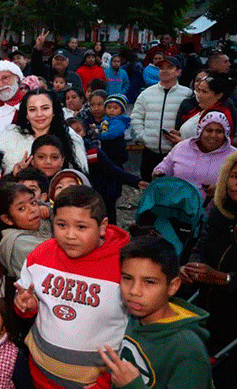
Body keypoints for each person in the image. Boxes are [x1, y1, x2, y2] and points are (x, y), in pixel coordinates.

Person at [14, 185, 129, 388]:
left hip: (94, 384)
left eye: (81, 227)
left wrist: (106, 382)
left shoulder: (125, 267)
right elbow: (25, 303)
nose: (70, 235)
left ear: (102, 226)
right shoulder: (40, 256)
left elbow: (137, 331)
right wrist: (26, 306)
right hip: (39, 375)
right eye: (62, 225)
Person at [100, 236, 212, 389]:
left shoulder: (188, 351)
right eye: (127, 278)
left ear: (173, 286)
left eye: (149, 282)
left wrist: (132, 386)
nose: (134, 291)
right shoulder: (135, 316)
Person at [181, 151, 237, 386]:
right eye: (234, 176)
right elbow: (201, 245)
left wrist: (225, 279)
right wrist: (191, 266)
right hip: (207, 311)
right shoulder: (220, 211)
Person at [0, 89, 87, 174]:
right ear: (26, 114)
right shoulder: (10, 137)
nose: (39, 114)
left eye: (45, 108)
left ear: (54, 111)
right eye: (32, 110)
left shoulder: (71, 138)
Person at [131, 55, 192, 181]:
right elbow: (136, 117)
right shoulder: (147, 93)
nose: (164, 70)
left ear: (178, 71)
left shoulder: (187, 94)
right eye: (161, 68)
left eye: (169, 67)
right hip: (149, 153)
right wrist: (143, 136)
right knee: (149, 189)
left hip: (176, 153)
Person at [152, 110, 236, 199]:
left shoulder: (233, 156)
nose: (213, 135)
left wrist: (220, 190)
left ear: (225, 134)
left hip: (213, 211)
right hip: (177, 207)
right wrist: (159, 172)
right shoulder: (182, 147)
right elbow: (165, 165)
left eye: (219, 131)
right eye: (209, 130)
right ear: (200, 131)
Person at [0, 183, 52, 278]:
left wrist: (49, 210)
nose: (32, 209)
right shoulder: (16, 242)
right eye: (21, 208)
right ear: (7, 219)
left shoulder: (44, 223)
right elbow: (59, 255)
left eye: (33, 202)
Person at [175, 72, 236, 140]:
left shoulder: (219, 117)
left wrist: (181, 143)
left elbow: (211, 145)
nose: (199, 95)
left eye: (204, 92)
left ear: (219, 95)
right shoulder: (200, 111)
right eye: (199, 90)